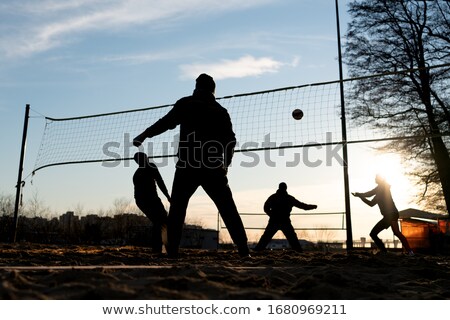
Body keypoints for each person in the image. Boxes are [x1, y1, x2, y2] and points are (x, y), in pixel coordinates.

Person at [133, 73, 249, 258]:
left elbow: (166, 123)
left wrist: (145, 134)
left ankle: (172, 250)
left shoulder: (186, 104)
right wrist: (226, 163)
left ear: (196, 87)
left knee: (178, 209)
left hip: (188, 165)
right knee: (227, 208)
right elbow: (231, 141)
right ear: (213, 90)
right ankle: (243, 249)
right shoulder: (220, 111)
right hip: (213, 166)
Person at [352, 174, 414, 256]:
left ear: (380, 180)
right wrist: (360, 197)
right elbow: (371, 203)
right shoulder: (378, 193)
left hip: (391, 214)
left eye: (376, 178)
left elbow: (369, 193)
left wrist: (360, 195)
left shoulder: (383, 187)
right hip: (391, 215)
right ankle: (406, 251)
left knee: (378, 233)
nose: (375, 179)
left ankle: (388, 251)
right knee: (394, 232)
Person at [254, 182, 317, 252]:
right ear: (286, 188)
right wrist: (312, 207)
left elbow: (265, 208)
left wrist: (272, 215)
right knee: (292, 238)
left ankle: (257, 251)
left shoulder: (273, 197)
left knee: (266, 238)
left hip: (274, 221)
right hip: (285, 221)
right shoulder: (289, 198)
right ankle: (299, 252)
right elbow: (302, 206)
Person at [133, 152, 171, 253]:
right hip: (147, 200)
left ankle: (162, 247)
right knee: (160, 221)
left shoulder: (138, 173)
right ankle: (159, 248)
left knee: (160, 221)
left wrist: (167, 196)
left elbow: (159, 182)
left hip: (146, 200)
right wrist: (167, 196)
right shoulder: (146, 169)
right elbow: (160, 181)